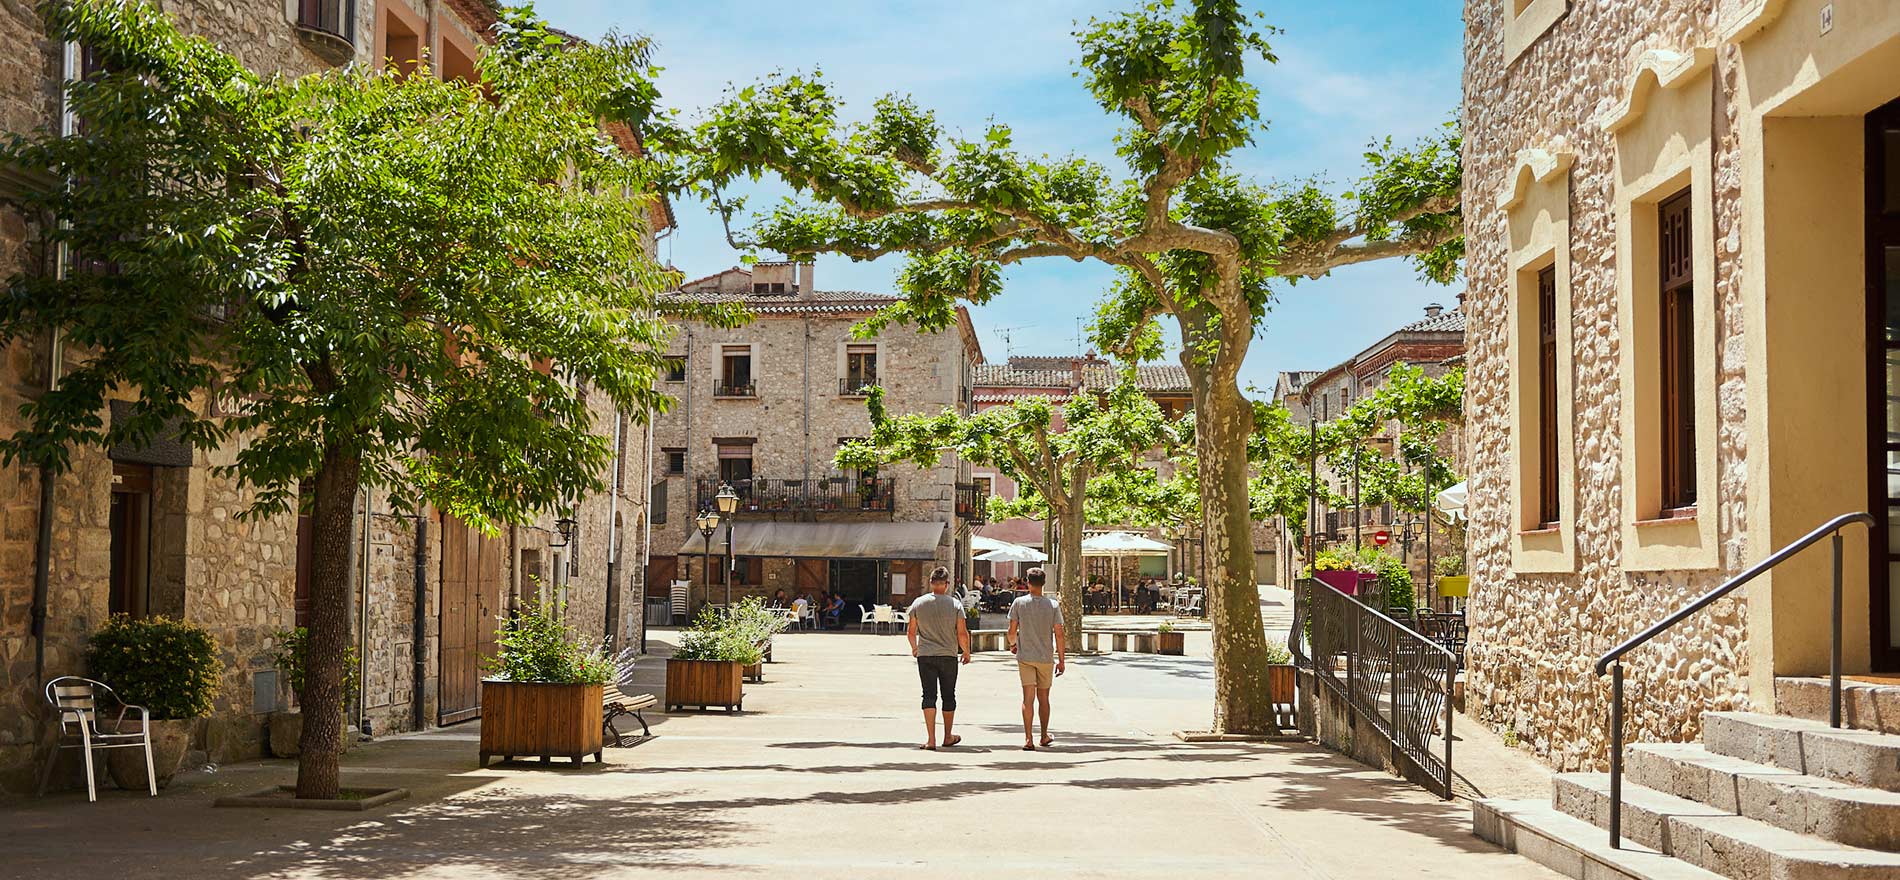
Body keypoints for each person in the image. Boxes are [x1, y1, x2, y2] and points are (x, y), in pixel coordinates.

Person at [906, 566, 971, 750]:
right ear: (947, 584)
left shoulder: (918, 603)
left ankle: (931, 739)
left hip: (925, 655)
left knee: (928, 695)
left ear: (931, 583)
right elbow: (962, 633)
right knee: (948, 695)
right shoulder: (955, 605)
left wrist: (915, 648)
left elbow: (911, 632)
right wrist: (966, 652)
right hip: (948, 655)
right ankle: (948, 736)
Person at [1008, 566, 1065, 750]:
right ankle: (1044, 735)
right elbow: (1059, 634)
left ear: (1027, 582)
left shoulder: (1019, 603)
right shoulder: (1053, 605)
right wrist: (1062, 659)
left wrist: (1013, 645)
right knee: (1044, 697)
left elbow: (1011, 631)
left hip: (1025, 656)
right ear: (1044, 583)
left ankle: (1028, 739)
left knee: (1028, 698)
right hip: (1045, 657)